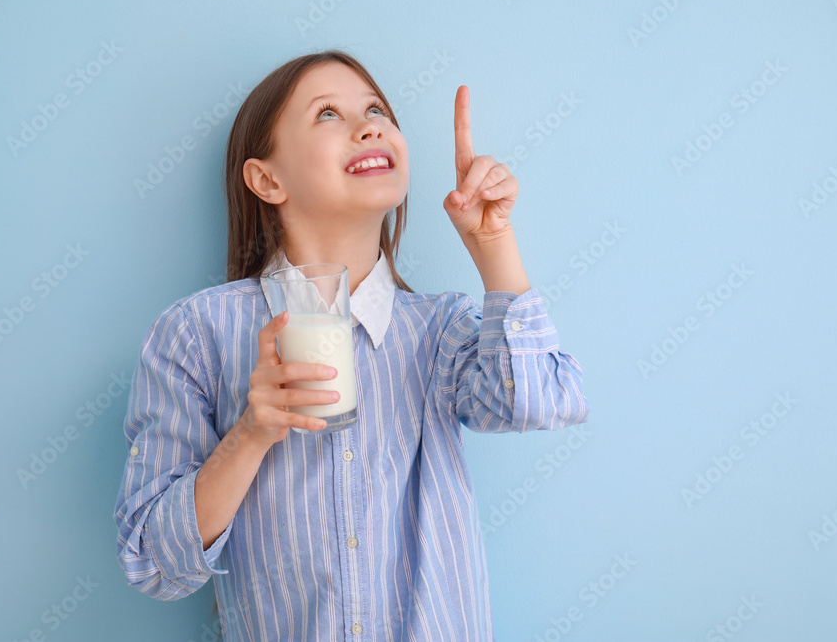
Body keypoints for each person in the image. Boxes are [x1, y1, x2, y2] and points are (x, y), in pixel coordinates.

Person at [114, 49, 590, 641]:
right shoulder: (197, 333)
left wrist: (494, 243)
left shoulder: (441, 331)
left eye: (374, 110)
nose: (368, 125)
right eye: (327, 115)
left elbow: (541, 403)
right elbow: (155, 563)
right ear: (267, 179)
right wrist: (250, 434)